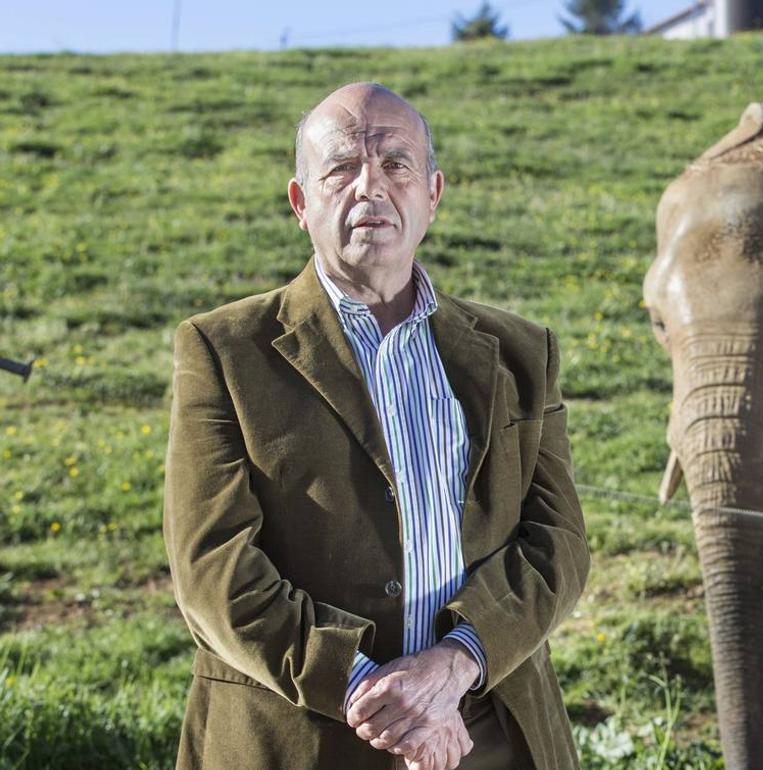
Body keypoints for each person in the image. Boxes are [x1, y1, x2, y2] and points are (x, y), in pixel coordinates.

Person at [162, 81, 590, 770]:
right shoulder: (224, 350)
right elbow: (214, 569)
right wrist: (372, 693)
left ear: (433, 194)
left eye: (396, 163)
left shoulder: (520, 352)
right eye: (340, 167)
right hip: (298, 736)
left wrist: (452, 669)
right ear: (301, 203)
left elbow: (558, 545)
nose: (371, 186)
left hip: (488, 729)